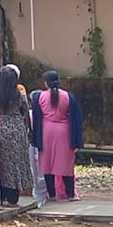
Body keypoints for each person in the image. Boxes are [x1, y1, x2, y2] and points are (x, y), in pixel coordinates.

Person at [30, 71, 83, 201]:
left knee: (47, 163)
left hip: (46, 131)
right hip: (64, 131)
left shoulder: (40, 97)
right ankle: (70, 194)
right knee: (66, 163)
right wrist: (76, 139)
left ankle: (52, 194)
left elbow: (37, 117)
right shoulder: (68, 96)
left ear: (46, 83)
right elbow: (76, 118)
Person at [0, 65, 36, 206]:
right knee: (17, 162)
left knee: (1, 162)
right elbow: (24, 112)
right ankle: (14, 194)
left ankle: (1, 194)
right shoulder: (19, 94)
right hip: (17, 129)